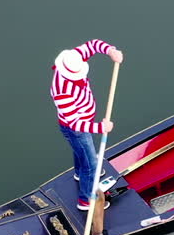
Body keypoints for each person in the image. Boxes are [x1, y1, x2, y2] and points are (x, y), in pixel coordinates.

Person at [52, 39, 123, 210]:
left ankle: (79, 174)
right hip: (76, 129)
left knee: (81, 153)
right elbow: (75, 124)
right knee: (90, 164)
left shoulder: (73, 57)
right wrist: (101, 128)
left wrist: (110, 51)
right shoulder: (62, 92)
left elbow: (93, 45)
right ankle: (86, 200)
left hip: (83, 123)